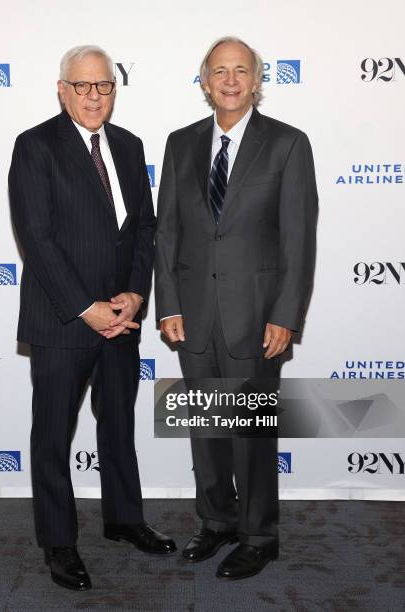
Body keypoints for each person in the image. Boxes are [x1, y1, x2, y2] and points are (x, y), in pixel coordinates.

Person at [9, 44, 176, 592]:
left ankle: (124, 519)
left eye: (103, 86)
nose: (93, 97)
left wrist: (133, 294)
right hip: (62, 321)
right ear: (62, 90)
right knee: (53, 436)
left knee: (119, 422)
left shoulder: (128, 147)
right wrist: (88, 308)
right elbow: (38, 237)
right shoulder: (35, 146)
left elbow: (144, 228)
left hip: (121, 318)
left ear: (114, 89)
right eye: (82, 86)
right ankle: (58, 544)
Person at [155, 36, 317, 580]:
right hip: (194, 313)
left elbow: (298, 238)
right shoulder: (179, 144)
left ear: (256, 81)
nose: (229, 80)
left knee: (249, 434)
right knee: (206, 429)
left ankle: (258, 535)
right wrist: (169, 304)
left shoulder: (288, 145)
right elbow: (168, 233)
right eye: (219, 71)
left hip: (256, 316)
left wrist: (286, 314)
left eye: (240, 71)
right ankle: (217, 523)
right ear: (204, 82)